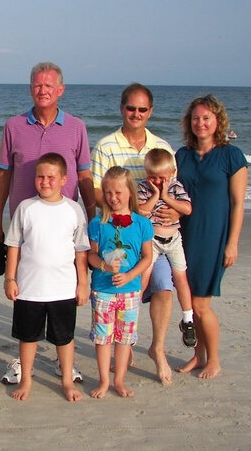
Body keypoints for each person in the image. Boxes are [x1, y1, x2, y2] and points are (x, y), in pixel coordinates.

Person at [0, 62, 96, 385]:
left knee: (64, 297)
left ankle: (66, 366)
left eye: (49, 85)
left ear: (60, 89)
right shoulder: (13, 125)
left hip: (64, 228)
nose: (43, 90)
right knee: (25, 296)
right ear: (30, 88)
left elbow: (86, 175)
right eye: (37, 85)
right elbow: (4, 173)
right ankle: (24, 364)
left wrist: (91, 216)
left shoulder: (76, 127)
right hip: (25, 228)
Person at [90, 82, 178, 384]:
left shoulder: (163, 147)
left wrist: (176, 211)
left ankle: (159, 350)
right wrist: (125, 213)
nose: (136, 114)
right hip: (119, 234)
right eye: (131, 108)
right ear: (122, 108)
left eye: (142, 109)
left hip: (156, 233)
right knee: (121, 291)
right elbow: (99, 194)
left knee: (164, 289)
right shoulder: (105, 146)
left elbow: (175, 188)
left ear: (150, 111)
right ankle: (117, 356)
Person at [3, 153, 90, 401]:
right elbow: (14, 245)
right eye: (40, 176)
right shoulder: (26, 208)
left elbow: (81, 251)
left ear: (63, 179)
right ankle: (27, 379)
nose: (45, 181)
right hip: (30, 288)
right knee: (28, 336)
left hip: (63, 288)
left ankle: (66, 381)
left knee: (64, 337)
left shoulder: (73, 210)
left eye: (51, 177)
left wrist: (82, 283)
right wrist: (10, 279)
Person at [174, 94, 247, 379]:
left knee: (202, 304)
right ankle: (198, 356)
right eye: (196, 118)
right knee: (189, 303)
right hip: (184, 235)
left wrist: (232, 243)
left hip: (213, 236)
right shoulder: (182, 155)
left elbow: (238, 203)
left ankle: (214, 359)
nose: (200, 123)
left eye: (206, 118)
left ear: (217, 121)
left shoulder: (232, 156)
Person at [88, 166, 153, 398]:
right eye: (108, 193)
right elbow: (91, 256)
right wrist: (104, 266)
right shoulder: (97, 223)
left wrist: (130, 275)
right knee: (103, 336)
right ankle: (104, 380)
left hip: (130, 290)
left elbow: (147, 257)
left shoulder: (142, 224)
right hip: (103, 290)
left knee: (124, 337)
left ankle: (119, 380)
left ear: (129, 193)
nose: (113, 198)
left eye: (118, 193)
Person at [137, 148, 196, 347]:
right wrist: (155, 194)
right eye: (152, 177)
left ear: (171, 173)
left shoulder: (176, 187)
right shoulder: (144, 188)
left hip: (173, 240)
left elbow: (187, 209)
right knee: (144, 276)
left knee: (181, 278)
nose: (158, 182)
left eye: (162, 178)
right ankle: (131, 316)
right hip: (152, 241)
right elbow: (140, 211)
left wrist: (167, 197)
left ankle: (188, 319)